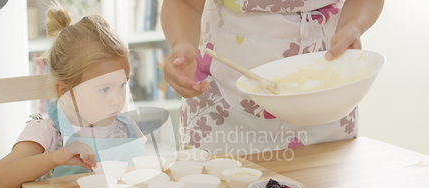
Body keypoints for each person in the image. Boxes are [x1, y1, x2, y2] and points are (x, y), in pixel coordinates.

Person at [161, 0, 384, 155]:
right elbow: (186, 2)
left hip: (326, 102)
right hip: (222, 110)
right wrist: (182, 42)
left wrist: (353, 26)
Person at [0, 4, 147, 188]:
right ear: (65, 92)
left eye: (122, 85)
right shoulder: (48, 132)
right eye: (104, 89)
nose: (117, 100)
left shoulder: (125, 128)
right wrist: (55, 158)